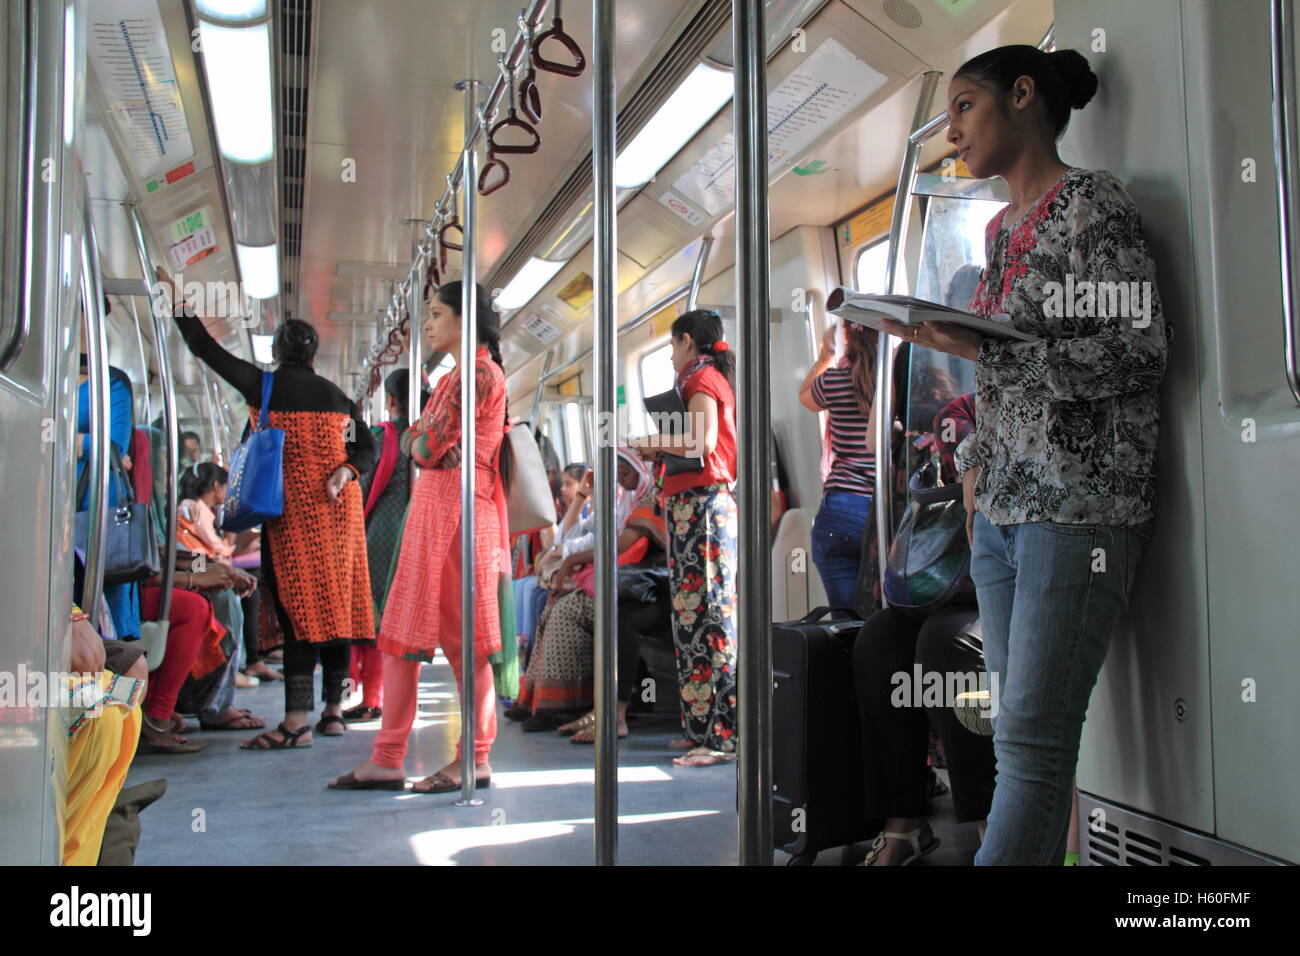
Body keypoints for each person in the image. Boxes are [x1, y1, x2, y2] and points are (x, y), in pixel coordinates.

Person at [883, 45, 1168, 864]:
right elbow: (1003, 377)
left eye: (965, 107)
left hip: (1079, 509)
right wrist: (971, 452)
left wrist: (985, 354)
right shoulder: (999, 229)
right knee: (1014, 740)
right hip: (1003, 510)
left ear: (1022, 95)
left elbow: (1139, 351)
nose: (953, 130)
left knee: (1035, 744)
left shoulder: (1093, 208)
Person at [161, 266, 376, 750]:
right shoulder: (339, 399)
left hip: (292, 516)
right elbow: (365, 447)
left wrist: (173, 297)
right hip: (340, 515)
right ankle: (335, 711)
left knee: (297, 611)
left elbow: (202, 346)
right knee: (335, 612)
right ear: (314, 355)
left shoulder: (264, 388)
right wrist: (345, 472)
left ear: (277, 354)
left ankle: (296, 722)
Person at [329, 281, 512, 793]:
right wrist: (419, 440)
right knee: (400, 633)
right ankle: (388, 755)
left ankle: (474, 757)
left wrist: (419, 441)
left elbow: (427, 445)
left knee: (465, 642)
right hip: (435, 512)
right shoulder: (457, 376)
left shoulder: (476, 373)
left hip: (457, 515)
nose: (427, 324)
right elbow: (421, 440)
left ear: (464, 319)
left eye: (436, 314)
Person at [629, 309, 738, 767]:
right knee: (691, 623)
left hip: (704, 509)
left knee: (710, 621)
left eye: (673, 346)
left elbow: (701, 442)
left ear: (689, 342)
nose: (672, 356)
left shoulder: (702, 380)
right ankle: (700, 729)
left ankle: (723, 736)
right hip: (689, 510)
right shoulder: (697, 380)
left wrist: (653, 442)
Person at [513, 451, 655, 731]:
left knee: (565, 610)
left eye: (627, 475)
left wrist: (572, 557)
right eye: (619, 476)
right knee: (553, 605)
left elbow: (619, 544)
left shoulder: (647, 503)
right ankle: (540, 701)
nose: (623, 482)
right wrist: (582, 498)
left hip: (634, 587)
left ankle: (564, 705)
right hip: (612, 579)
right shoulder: (624, 503)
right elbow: (570, 536)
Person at [346, 369, 427, 721]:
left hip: (379, 535)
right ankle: (391, 697)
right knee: (403, 623)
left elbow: (358, 486)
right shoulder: (429, 438)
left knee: (366, 622)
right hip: (421, 534)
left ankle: (356, 697)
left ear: (390, 400)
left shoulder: (379, 436)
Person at [798, 318, 877, 614]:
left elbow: (805, 397)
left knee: (846, 623)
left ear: (846, 338)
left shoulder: (834, 380)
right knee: (883, 615)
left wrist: (824, 356)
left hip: (841, 508)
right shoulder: (892, 379)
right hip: (884, 509)